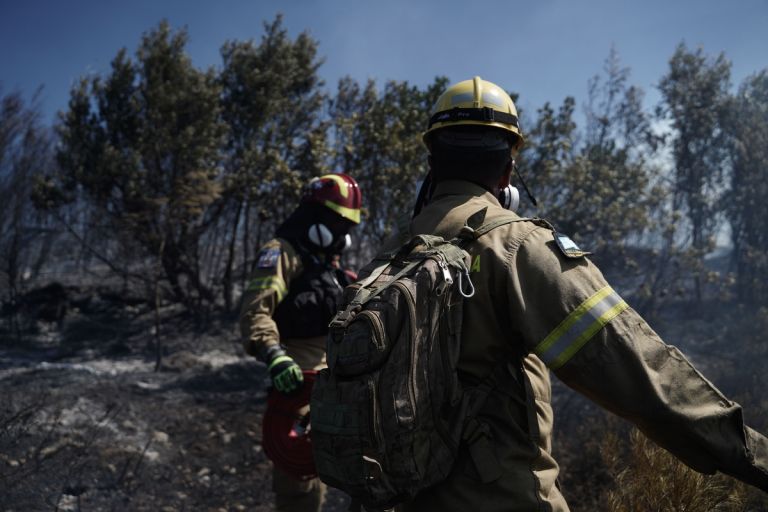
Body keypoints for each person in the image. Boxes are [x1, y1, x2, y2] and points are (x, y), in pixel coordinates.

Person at [380, 77, 768, 511]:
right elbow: (641, 372)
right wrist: (757, 457)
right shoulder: (514, 246)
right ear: (508, 170)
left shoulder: (390, 256)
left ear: (432, 163)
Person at [239, 173, 362, 512]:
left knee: (329, 478)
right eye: (338, 223)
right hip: (296, 386)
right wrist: (274, 355)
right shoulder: (280, 254)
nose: (343, 236)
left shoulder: (330, 266)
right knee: (298, 484)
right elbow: (255, 311)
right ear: (316, 217)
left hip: (335, 388)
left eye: (348, 227)